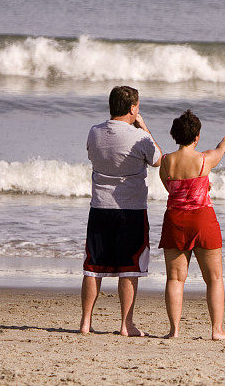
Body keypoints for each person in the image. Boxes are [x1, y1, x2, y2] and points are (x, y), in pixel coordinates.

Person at [80, 85, 163, 336]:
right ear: (132, 108)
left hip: (100, 207)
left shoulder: (94, 132)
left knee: (93, 268)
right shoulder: (140, 137)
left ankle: (85, 322)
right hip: (131, 210)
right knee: (129, 269)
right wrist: (143, 126)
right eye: (137, 106)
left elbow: (92, 155)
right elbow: (159, 159)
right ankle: (126, 324)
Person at [158, 109, 225, 340]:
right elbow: (220, 151)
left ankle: (174, 330)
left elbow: (171, 189)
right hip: (202, 219)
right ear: (197, 137)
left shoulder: (166, 161)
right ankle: (217, 330)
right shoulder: (204, 159)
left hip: (175, 220)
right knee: (214, 278)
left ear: (174, 135)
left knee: (175, 278)